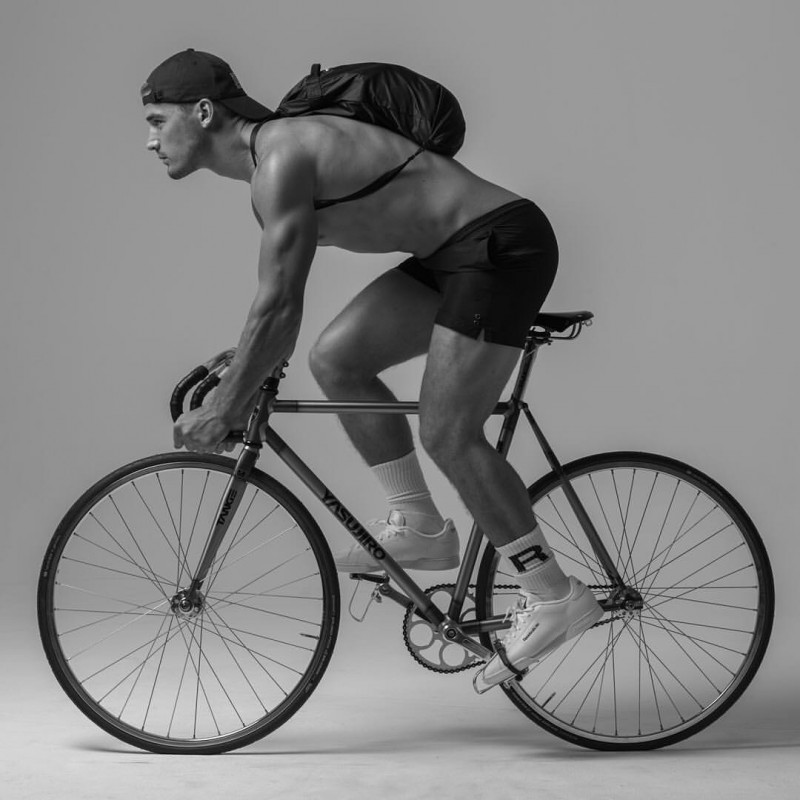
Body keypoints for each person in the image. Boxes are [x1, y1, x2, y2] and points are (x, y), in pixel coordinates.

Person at [142, 49, 602, 687]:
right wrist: (243, 367)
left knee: (447, 430)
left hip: (499, 245)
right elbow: (274, 309)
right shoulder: (270, 167)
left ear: (202, 111)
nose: (150, 139)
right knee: (336, 360)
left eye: (157, 120)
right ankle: (417, 523)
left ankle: (554, 594)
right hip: (449, 255)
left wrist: (226, 404)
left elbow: (279, 305)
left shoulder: (280, 160)